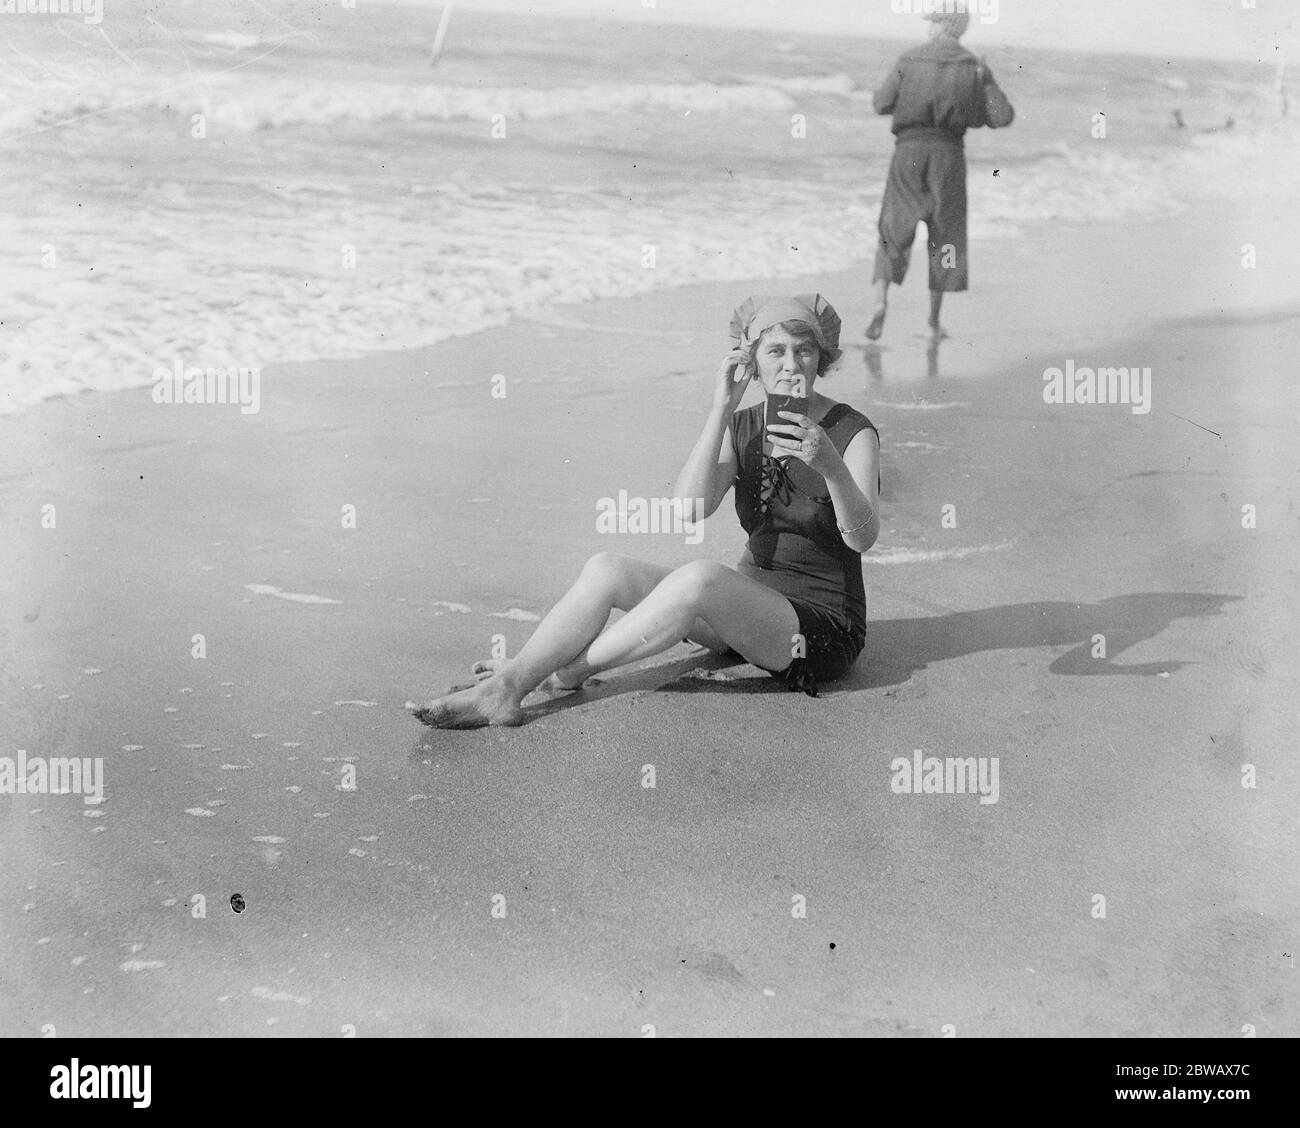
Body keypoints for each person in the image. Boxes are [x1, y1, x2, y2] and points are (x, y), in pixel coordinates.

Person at [409, 294, 882, 727]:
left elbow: (862, 538)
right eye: (775, 351)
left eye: (804, 350)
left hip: (818, 634)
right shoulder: (744, 426)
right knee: (607, 569)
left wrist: (831, 467)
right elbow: (690, 509)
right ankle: (527, 672)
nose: (791, 364)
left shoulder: (850, 432)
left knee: (700, 579)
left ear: (822, 359)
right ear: (752, 362)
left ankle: (526, 681)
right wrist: (721, 409)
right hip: (744, 616)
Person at [866, 9, 1014, 342]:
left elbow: (880, 104)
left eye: (932, 22)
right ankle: (932, 322)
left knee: (893, 228)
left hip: (908, 154)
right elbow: (1001, 117)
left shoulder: (908, 58)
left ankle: (880, 302)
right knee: (945, 238)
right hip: (948, 157)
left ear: (941, 26)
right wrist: (985, 78)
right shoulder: (974, 66)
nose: (929, 28)